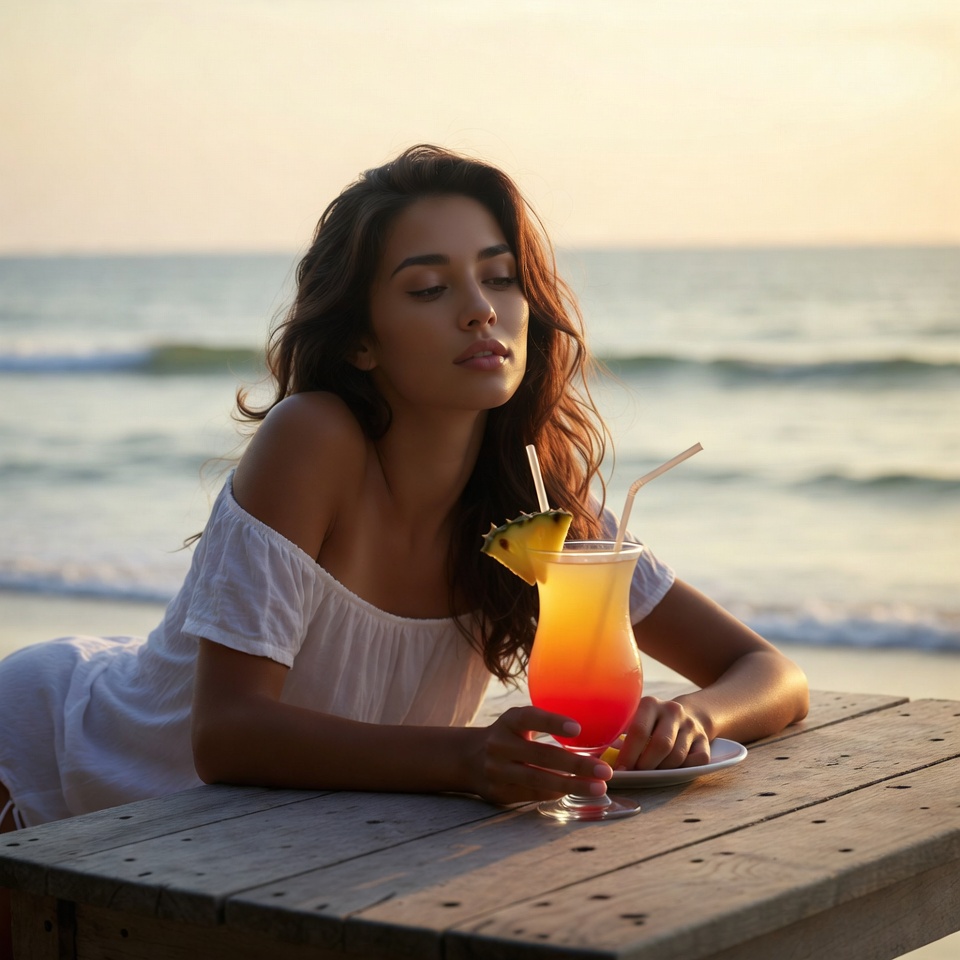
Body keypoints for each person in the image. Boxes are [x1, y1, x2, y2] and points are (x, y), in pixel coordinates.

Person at [0, 143, 808, 951]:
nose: (481, 309)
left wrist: (691, 717)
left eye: (500, 278)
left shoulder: (536, 508)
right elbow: (227, 734)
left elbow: (771, 673)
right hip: (59, 770)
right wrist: (466, 760)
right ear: (362, 341)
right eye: (429, 288)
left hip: (276, 855)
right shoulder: (313, 440)